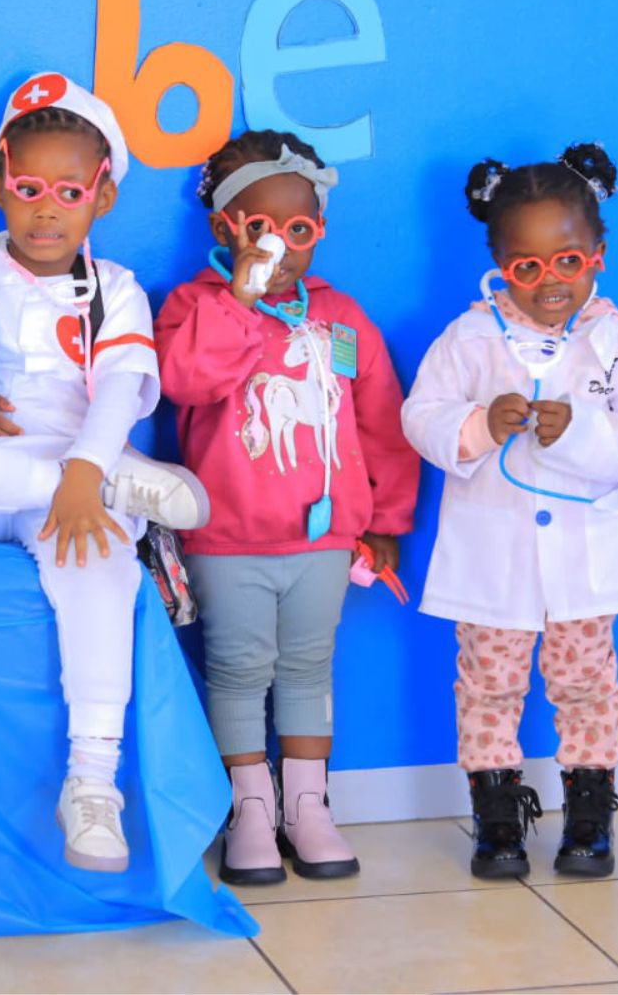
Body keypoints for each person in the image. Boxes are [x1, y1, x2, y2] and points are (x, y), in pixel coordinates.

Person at [0, 73, 208, 874]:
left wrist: (85, 471)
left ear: (103, 197)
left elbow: (120, 389)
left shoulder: (113, 289)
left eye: (69, 192)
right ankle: (114, 486)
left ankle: (91, 781)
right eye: (28, 190)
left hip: (75, 472)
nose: (46, 211)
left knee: (100, 562)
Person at [401, 143, 618, 878]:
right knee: (488, 687)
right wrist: (477, 424)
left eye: (568, 261)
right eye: (527, 267)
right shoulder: (469, 340)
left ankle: (589, 817)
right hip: (491, 561)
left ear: (598, 257)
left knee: (586, 686)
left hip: (584, 566)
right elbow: (420, 416)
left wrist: (583, 432)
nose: (550, 281)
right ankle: (497, 819)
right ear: (500, 264)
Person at [155, 131, 420, 884]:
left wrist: (384, 521)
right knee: (238, 671)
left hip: (324, 540)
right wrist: (239, 299)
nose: (278, 246)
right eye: (259, 229)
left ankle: (308, 809)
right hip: (228, 538)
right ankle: (250, 812)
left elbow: (381, 421)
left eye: (297, 229)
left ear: (319, 231)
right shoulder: (193, 307)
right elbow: (184, 381)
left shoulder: (341, 317)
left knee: (308, 668)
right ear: (224, 228)